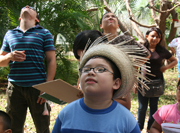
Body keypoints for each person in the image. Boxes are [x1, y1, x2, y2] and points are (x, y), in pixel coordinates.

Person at [52, 39, 141, 133]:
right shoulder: (66, 113)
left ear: (116, 83)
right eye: (86, 69)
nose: (91, 72)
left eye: (101, 69)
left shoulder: (126, 120)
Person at [0, 5, 56, 133]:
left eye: (31, 8)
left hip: (38, 88)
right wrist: (9, 56)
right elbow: (1, 61)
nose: (27, 6)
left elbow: (51, 60)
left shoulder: (44, 33)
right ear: (20, 17)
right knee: (13, 128)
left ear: (36, 19)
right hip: (14, 88)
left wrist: (46, 87)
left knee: (42, 128)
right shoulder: (10, 34)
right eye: (25, 7)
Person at [99, 12, 151, 110]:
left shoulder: (126, 39)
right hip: (100, 82)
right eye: (107, 16)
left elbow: (146, 54)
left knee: (121, 110)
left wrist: (131, 69)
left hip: (120, 83)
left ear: (118, 25)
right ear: (101, 25)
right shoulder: (96, 39)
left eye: (113, 16)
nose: (110, 17)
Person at [136, 27, 177, 132]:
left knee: (154, 106)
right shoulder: (141, 49)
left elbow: (174, 61)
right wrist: (134, 83)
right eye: (152, 36)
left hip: (157, 82)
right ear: (147, 36)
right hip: (142, 82)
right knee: (142, 107)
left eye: (158, 37)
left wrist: (165, 67)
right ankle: (139, 128)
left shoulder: (162, 50)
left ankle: (150, 128)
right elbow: (134, 66)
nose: (155, 38)